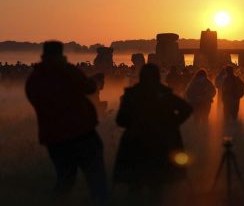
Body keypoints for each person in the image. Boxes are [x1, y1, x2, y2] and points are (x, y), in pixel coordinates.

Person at [25, 41, 108, 202]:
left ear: (44, 54)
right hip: (81, 132)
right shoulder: (67, 71)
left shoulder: (33, 79)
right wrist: (95, 80)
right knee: (96, 178)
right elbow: (89, 88)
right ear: (60, 54)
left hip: (53, 136)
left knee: (65, 180)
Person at [114, 64, 192, 205]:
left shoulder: (131, 95)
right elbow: (186, 108)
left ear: (141, 76)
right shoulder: (165, 95)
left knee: (135, 184)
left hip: (135, 143)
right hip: (160, 142)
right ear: (157, 76)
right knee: (156, 185)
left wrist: (134, 124)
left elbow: (120, 120)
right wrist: (172, 123)